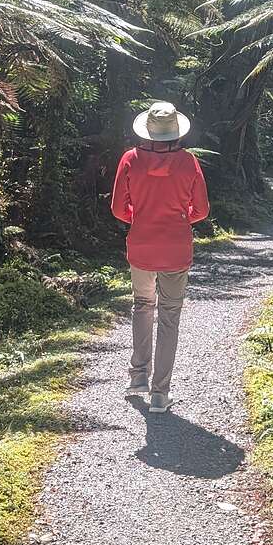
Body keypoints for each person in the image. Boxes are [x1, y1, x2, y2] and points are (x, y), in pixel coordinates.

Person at [109, 101, 209, 413]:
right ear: (176, 132)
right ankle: (160, 394)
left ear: (148, 131)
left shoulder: (130, 159)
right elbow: (202, 210)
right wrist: (180, 219)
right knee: (169, 316)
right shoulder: (189, 162)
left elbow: (117, 209)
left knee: (142, 306)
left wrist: (140, 217)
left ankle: (138, 377)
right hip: (176, 248)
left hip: (141, 245)